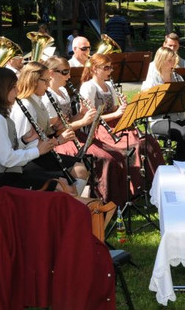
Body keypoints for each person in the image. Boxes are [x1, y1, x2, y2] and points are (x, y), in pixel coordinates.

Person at [42, 56, 131, 204]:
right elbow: (56, 130)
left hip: (76, 135)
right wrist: (83, 120)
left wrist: (81, 113)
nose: (69, 76)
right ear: (51, 73)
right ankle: (101, 201)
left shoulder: (63, 90)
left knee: (114, 155)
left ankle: (113, 201)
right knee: (106, 159)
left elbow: (69, 120)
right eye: (65, 72)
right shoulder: (47, 97)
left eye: (69, 71)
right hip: (63, 141)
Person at [80, 53, 165, 191]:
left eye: (110, 68)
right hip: (100, 128)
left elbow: (113, 108)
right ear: (95, 69)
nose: (110, 71)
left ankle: (154, 182)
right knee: (134, 144)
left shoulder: (109, 85)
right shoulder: (88, 87)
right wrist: (115, 113)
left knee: (148, 140)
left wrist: (122, 108)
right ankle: (135, 187)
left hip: (115, 124)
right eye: (106, 68)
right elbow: (90, 117)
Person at [0, 67, 64, 193]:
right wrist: (38, 151)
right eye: (14, 87)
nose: (17, 91)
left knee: (64, 184)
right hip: (1, 181)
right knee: (63, 188)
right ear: (1, 90)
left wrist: (25, 140)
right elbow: (7, 159)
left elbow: (6, 149)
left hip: (9, 175)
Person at [11, 62, 89, 193]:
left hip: (41, 154)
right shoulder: (25, 105)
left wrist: (56, 129)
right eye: (45, 81)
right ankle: (69, 205)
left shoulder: (38, 100)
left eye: (49, 80)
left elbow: (42, 132)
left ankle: (72, 204)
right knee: (71, 182)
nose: (48, 85)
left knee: (80, 169)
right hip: (29, 160)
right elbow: (21, 144)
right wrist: (58, 141)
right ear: (33, 81)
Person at [141, 47, 185, 162]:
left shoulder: (177, 77)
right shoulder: (151, 80)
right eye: (170, 60)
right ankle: (180, 164)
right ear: (161, 60)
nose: (173, 63)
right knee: (183, 134)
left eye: (174, 59)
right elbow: (146, 102)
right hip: (158, 120)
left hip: (178, 118)